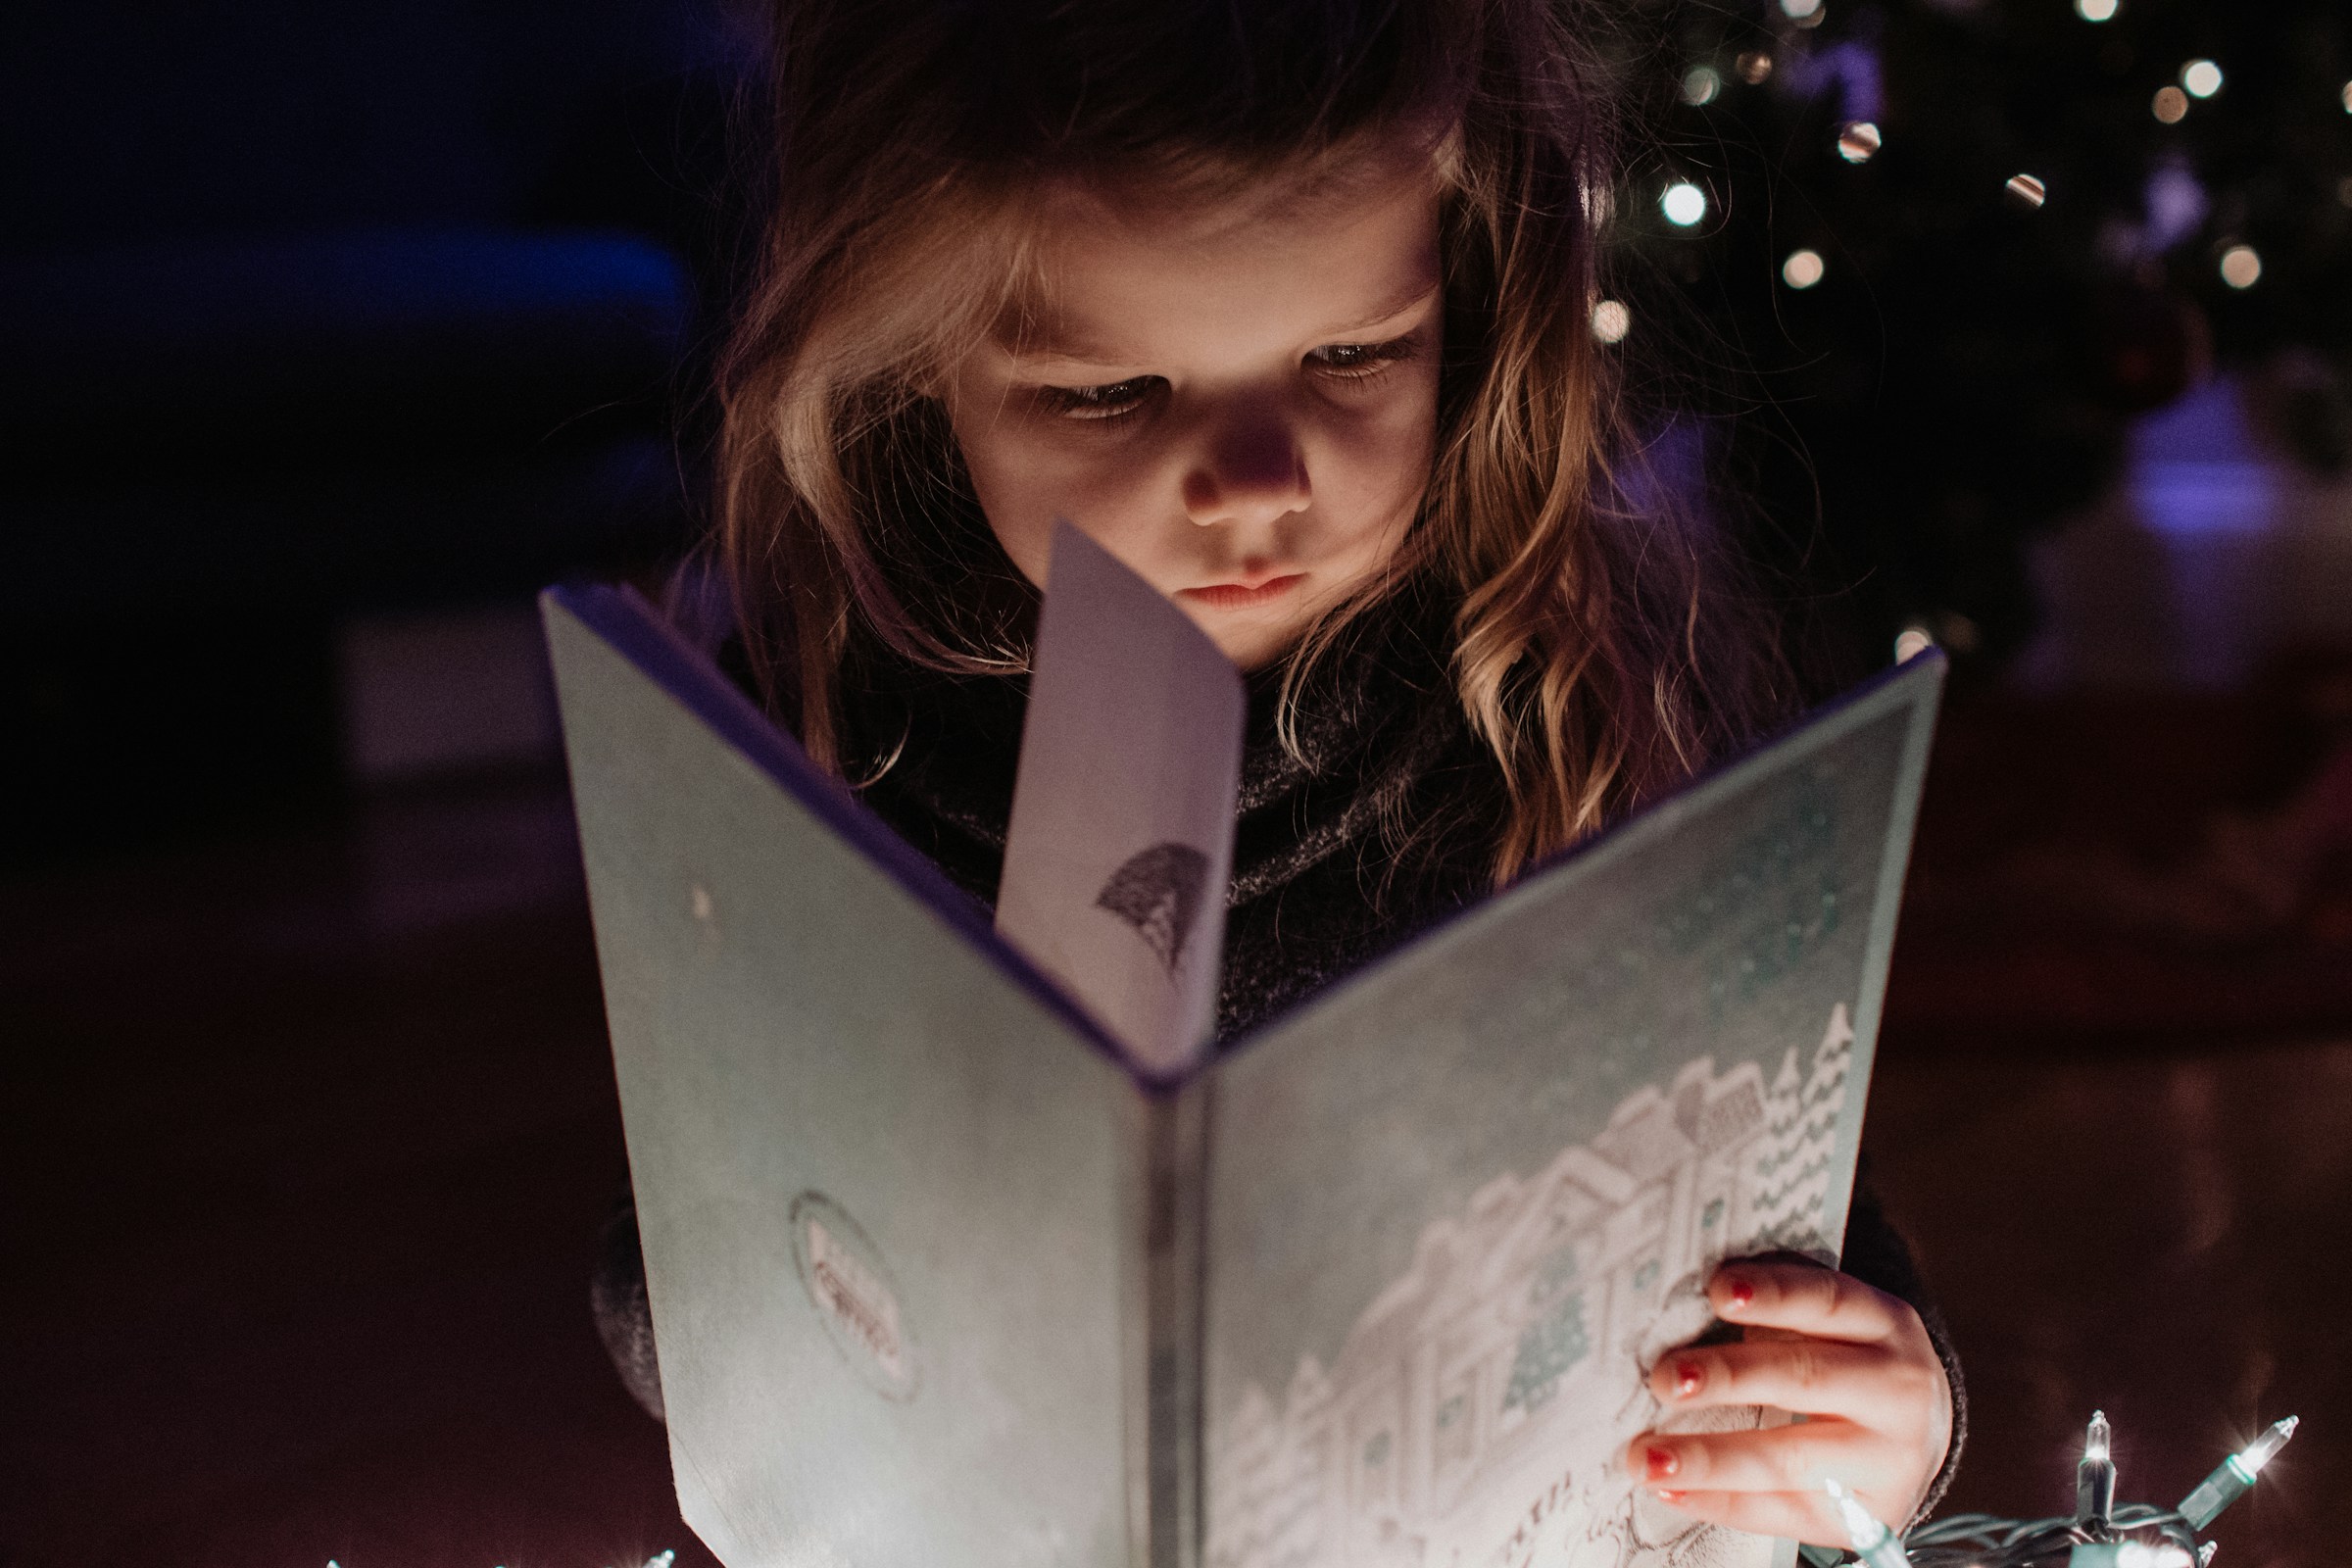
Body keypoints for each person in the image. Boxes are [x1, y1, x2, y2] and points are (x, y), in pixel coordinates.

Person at [596, 0, 1965, 1543]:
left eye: (1355, 352)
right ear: (915, 371)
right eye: (1109, 391)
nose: (1259, 485)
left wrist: (1883, 1402)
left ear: (1470, 297)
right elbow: (683, 1292)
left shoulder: (1575, 676)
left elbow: (1784, 1220)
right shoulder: (825, 725)